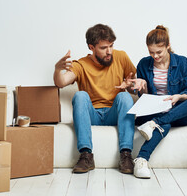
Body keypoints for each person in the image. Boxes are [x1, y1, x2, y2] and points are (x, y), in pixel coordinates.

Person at [53, 24, 136, 174]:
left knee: (124, 96)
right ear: (91, 47)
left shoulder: (121, 57)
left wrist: (130, 85)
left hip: (114, 114)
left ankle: (126, 156)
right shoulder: (81, 65)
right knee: (80, 95)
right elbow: (61, 82)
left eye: (111, 46)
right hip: (92, 115)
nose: (109, 51)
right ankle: (86, 155)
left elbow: (135, 85)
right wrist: (58, 69)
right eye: (104, 48)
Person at [129, 25, 187, 179]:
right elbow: (143, 97)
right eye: (151, 52)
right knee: (165, 123)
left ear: (168, 46)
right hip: (154, 111)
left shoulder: (183, 63)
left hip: (177, 111)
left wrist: (178, 97)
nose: (155, 56)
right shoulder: (144, 64)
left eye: (159, 52)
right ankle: (142, 159)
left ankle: (155, 123)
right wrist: (141, 86)